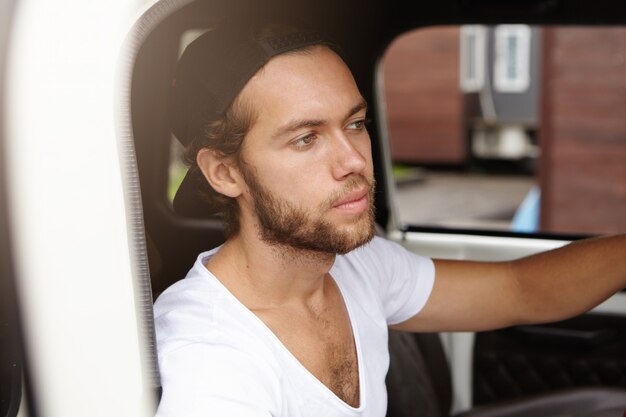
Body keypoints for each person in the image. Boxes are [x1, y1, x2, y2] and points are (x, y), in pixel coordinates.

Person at [153, 21, 626, 417]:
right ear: (225, 171)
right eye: (305, 139)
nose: (353, 160)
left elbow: (521, 289)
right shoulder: (213, 357)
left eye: (354, 124)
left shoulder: (357, 267)